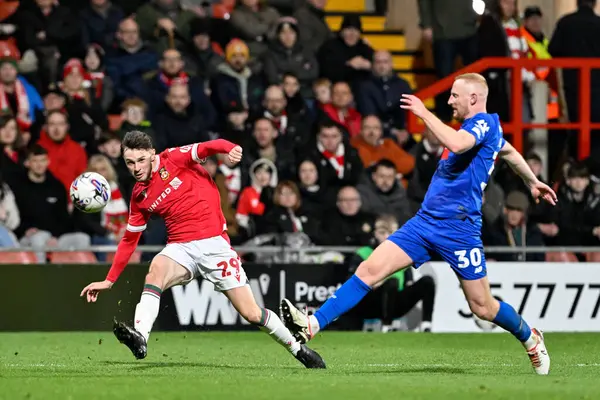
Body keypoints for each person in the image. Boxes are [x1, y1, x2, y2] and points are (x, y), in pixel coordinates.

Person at [280, 73, 557, 375]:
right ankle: (313, 324)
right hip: (425, 223)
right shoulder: (479, 129)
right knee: (370, 270)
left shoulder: (483, 124)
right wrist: (532, 181)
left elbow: (458, 144)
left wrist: (424, 113)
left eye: (454, 96)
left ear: (473, 98)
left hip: (459, 229)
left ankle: (530, 337)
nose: (449, 100)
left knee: (483, 307)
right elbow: (508, 151)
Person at [79, 131, 325, 369]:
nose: (136, 168)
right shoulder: (139, 195)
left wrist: (230, 148)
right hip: (180, 248)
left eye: (141, 160)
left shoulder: (173, 158)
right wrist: (109, 280)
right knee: (155, 272)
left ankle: (298, 349)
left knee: (251, 313)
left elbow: (209, 146)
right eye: (129, 162)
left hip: (215, 246)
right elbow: (129, 240)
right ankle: (140, 338)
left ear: (152, 154)